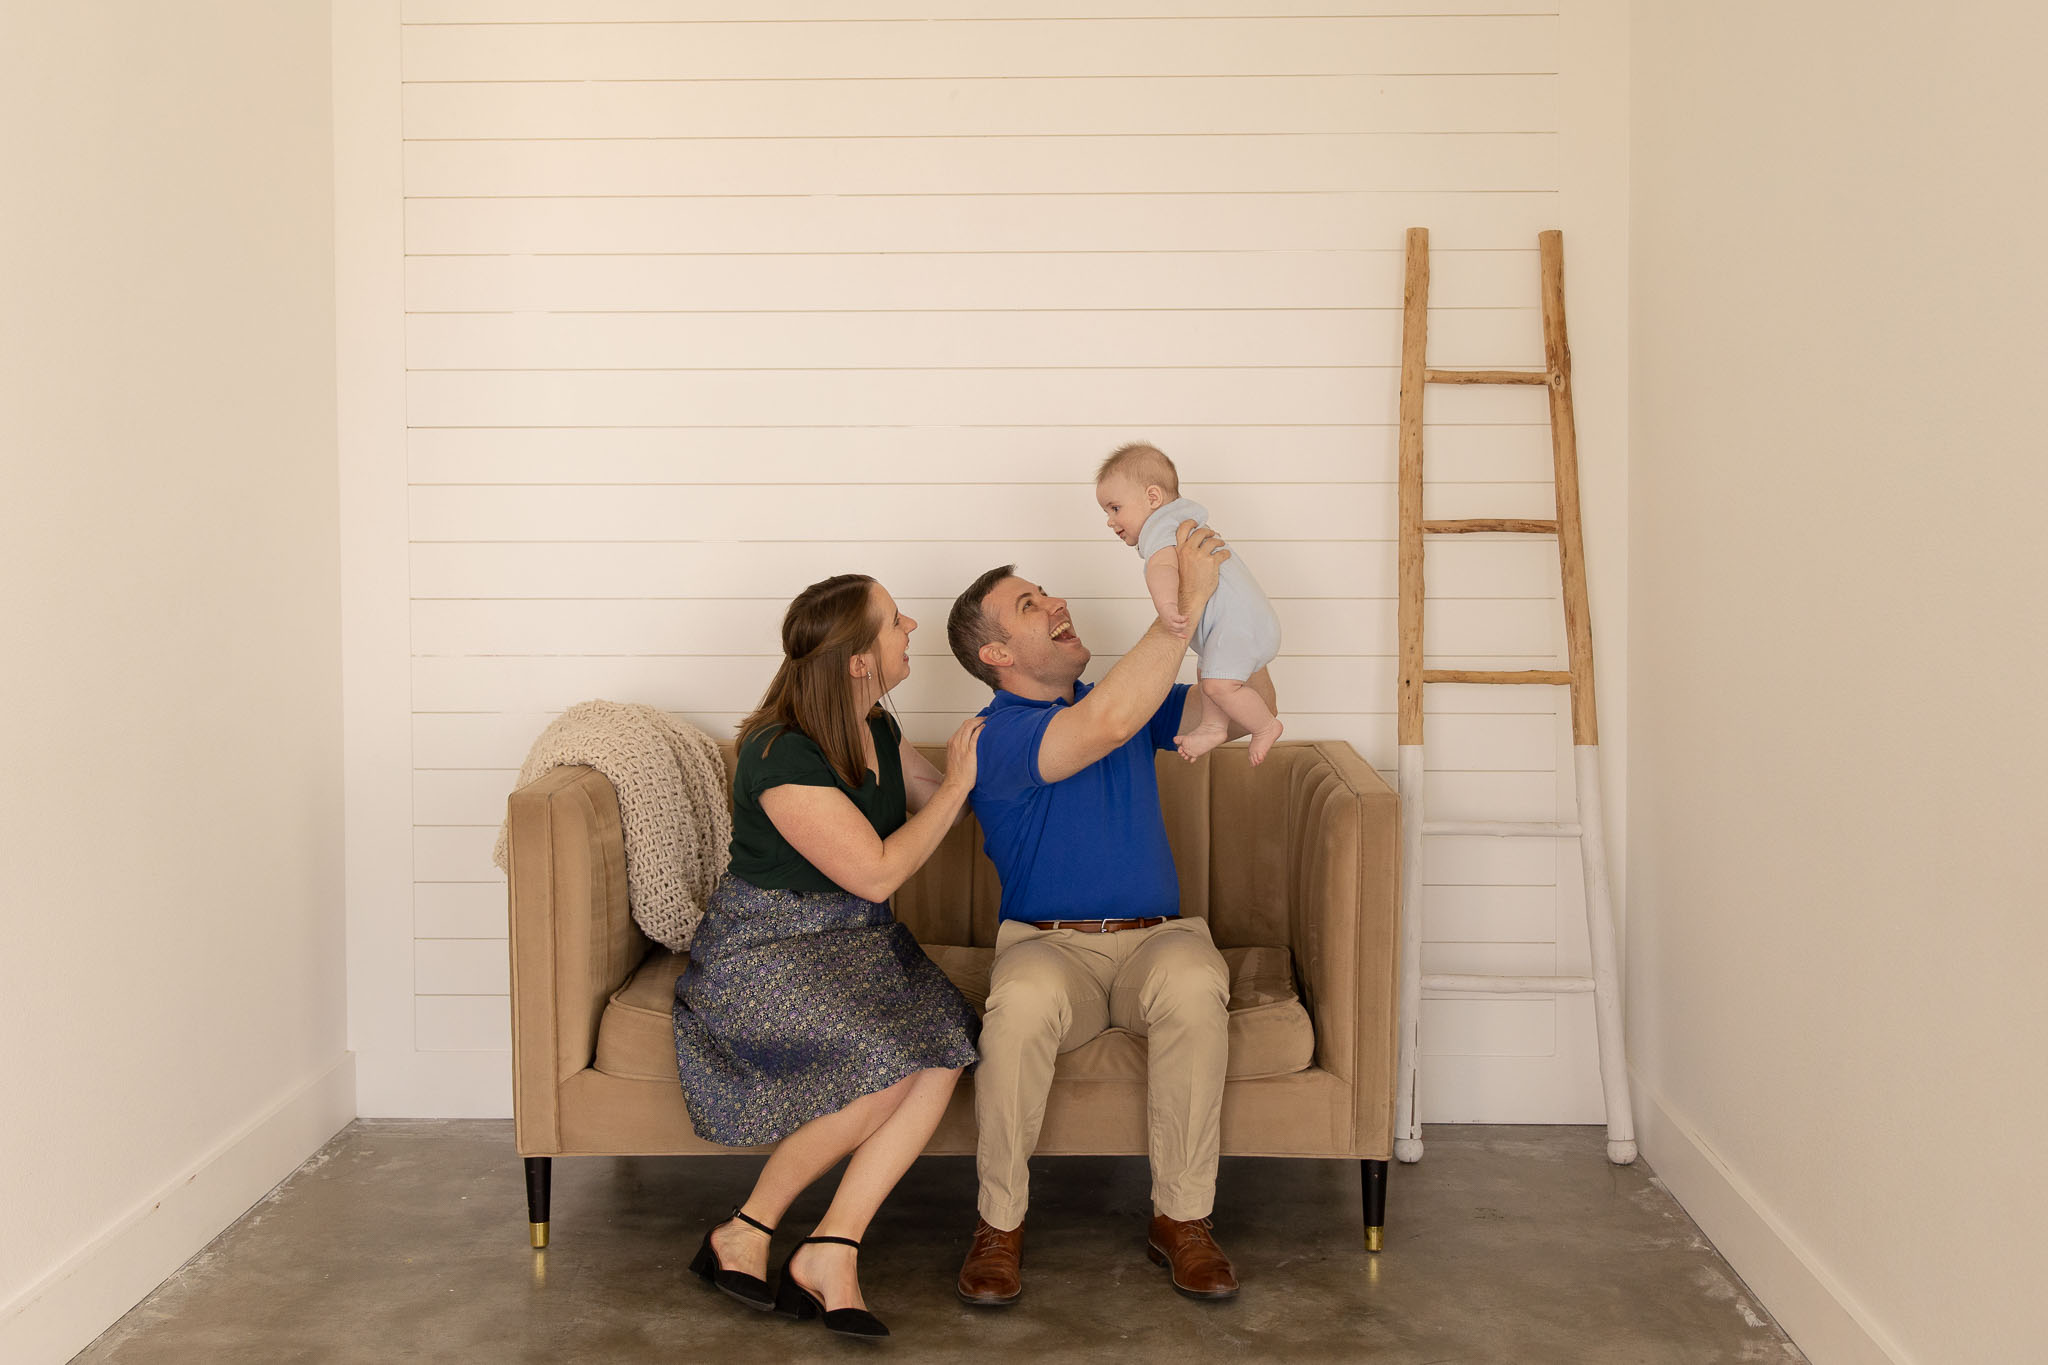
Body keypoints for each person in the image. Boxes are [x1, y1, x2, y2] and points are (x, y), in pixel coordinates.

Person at [943, 522, 1278, 1305]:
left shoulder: (1122, 701)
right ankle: (999, 1225)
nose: (1055, 600)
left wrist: (1232, 615)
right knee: (1019, 1002)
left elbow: (1239, 702)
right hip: (1048, 952)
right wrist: (1182, 606)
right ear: (996, 654)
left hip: (1157, 944)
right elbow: (1102, 727)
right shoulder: (993, 738)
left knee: (1198, 977)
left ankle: (1182, 1220)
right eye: (1030, 605)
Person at [673, 573, 984, 1339]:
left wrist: (1025, 732)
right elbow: (878, 869)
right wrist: (957, 792)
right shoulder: (778, 754)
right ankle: (745, 1227)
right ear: (856, 658)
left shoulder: (874, 722)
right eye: (892, 620)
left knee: (946, 1047)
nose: (910, 623)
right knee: (893, 1059)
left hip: (854, 942)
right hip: (766, 946)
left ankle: (832, 1246)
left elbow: (939, 792)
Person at [1094, 442, 1284, 764]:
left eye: (1115, 508)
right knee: (1207, 672)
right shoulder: (1185, 520)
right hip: (1244, 623)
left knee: (1217, 684)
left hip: (1239, 625)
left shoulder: (1161, 527)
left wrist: (1168, 606)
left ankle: (1265, 726)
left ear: (1152, 498)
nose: (1111, 521)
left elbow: (1162, 568)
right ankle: (1212, 725)